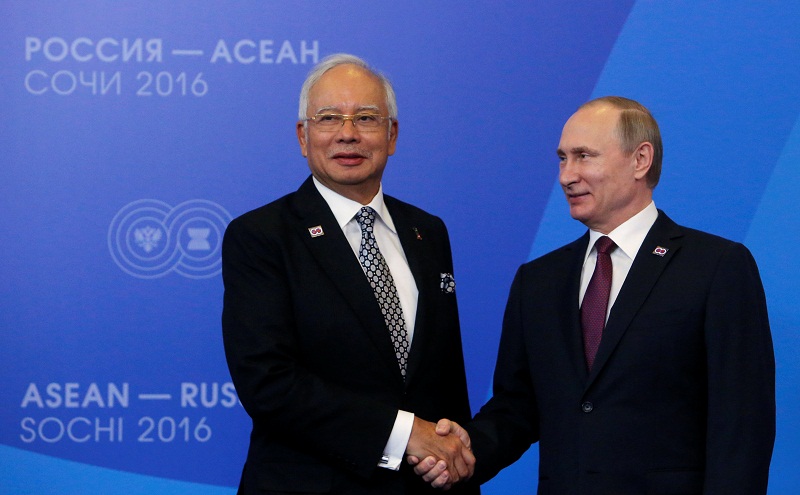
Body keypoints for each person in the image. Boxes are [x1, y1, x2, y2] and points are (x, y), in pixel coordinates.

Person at [413, 96, 775, 494]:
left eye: (584, 156)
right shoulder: (538, 280)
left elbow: (742, 425)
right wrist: (467, 449)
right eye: (562, 159)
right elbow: (517, 406)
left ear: (640, 160)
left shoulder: (715, 267)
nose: (567, 176)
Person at [221, 53, 477, 494]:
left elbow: (445, 379)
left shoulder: (427, 231)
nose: (347, 133)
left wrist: (454, 464)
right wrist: (403, 434)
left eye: (366, 118)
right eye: (328, 118)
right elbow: (268, 383)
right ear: (303, 136)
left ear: (392, 135)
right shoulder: (261, 236)